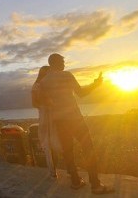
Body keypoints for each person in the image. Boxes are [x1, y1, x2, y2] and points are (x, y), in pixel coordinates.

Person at [40, 53, 114, 194]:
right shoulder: (66, 75)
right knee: (88, 149)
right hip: (74, 118)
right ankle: (96, 185)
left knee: (68, 151)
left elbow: (45, 104)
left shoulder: (44, 82)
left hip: (59, 122)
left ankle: (75, 181)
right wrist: (96, 84)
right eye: (62, 61)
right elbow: (81, 93)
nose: (64, 64)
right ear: (55, 62)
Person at [32, 65, 59, 178]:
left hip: (49, 116)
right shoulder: (40, 86)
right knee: (50, 144)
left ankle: (54, 171)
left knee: (53, 144)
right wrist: (47, 105)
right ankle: (53, 171)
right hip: (47, 117)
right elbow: (35, 103)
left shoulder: (37, 86)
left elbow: (34, 104)